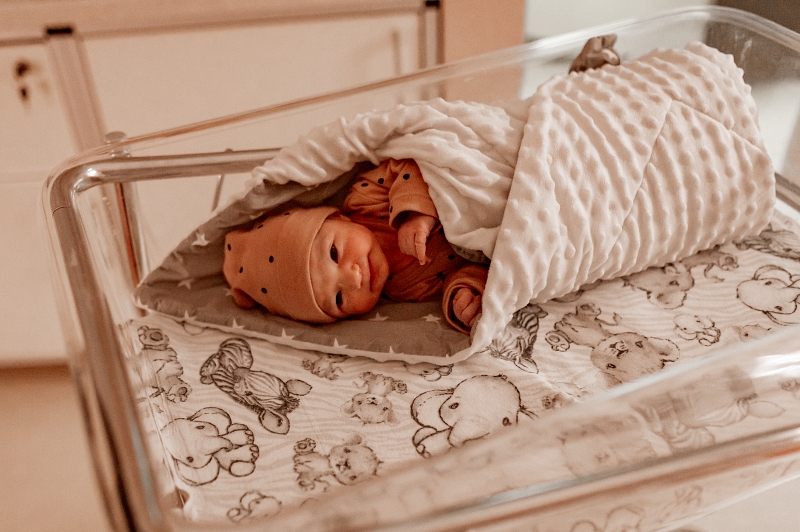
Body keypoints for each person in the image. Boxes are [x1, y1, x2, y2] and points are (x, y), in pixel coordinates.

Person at [223, 158, 488, 333]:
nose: (353, 279)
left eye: (334, 253)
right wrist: (462, 291)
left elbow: (407, 165)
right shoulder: (403, 289)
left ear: (337, 218)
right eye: (339, 299)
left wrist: (415, 214)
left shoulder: (365, 199)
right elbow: (467, 270)